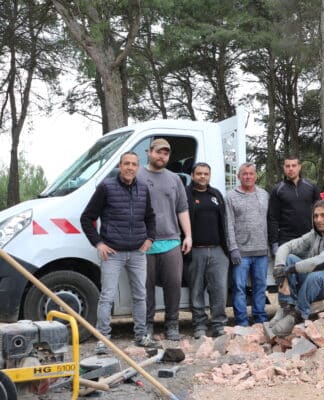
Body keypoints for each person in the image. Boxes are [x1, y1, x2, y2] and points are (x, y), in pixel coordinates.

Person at [80, 152, 157, 354]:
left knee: (140, 295)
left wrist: (150, 239)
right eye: (126, 164)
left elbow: (150, 217)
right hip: (112, 253)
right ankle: (103, 340)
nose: (130, 167)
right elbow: (87, 218)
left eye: (134, 164)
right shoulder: (106, 187)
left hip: (138, 252)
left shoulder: (143, 188)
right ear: (120, 166)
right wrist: (98, 243)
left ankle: (141, 336)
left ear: (138, 167)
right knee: (107, 297)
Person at [268, 200, 324, 337]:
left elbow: (321, 261)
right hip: (317, 278)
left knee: (316, 275)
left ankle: (298, 315)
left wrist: (291, 269)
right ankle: (287, 307)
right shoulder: (314, 235)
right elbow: (287, 247)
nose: (319, 220)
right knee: (289, 258)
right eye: (316, 216)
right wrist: (280, 266)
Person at [137, 138, 192, 341]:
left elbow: (182, 209)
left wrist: (188, 236)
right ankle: (147, 325)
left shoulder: (174, 179)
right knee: (145, 287)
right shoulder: (137, 175)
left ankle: (172, 325)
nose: (162, 156)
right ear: (149, 152)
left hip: (171, 241)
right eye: (159, 152)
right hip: (144, 242)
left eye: (166, 153)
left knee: (173, 285)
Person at [185, 162, 229, 338]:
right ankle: (199, 325)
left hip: (218, 250)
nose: (202, 177)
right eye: (199, 174)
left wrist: (226, 249)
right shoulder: (186, 195)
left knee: (219, 289)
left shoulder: (215, 195)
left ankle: (219, 324)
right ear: (192, 175)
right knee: (196, 290)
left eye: (205, 174)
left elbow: (224, 222)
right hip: (195, 250)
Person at [226, 162, 270, 327]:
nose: (248, 176)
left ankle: (260, 318)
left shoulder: (264, 194)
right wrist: (233, 248)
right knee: (239, 288)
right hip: (241, 253)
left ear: (256, 176)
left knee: (260, 286)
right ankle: (242, 321)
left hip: (261, 252)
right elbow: (229, 224)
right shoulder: (230, 196)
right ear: (239, 176)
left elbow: (269, 220)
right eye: (244, 174)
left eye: (251, 173)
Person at [268, 155, 321, 256]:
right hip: (286, 240)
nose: (291, 168)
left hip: (310, 238)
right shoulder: (277, 190)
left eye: (293, 165)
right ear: (284, 168)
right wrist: (274, 244)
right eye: (287, 166)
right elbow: (273, 218)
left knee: (310, 271)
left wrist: (322, 236)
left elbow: (320, 213)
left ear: (299, 167)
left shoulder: (311, 187)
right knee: (289, 271)